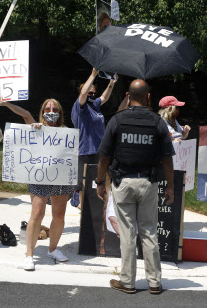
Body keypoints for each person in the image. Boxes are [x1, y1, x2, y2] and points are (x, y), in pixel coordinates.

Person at [96, 79, 175, 294]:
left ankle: (128, 282)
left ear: (128, 96)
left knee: (128, 233)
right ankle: (155, 282)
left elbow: (104, 156)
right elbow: (168, 159)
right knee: (149, 232)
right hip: (148, 183)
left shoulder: (117, 120)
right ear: (149, 97)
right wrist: (170, 187)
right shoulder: (158, 122)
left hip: (123, 182)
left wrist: (100, 181)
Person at [0, 96, 73, 271]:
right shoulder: (36, 127)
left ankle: (52, 249)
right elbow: (25, 114)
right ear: (42, 112)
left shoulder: (66, 132)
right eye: (47, 109)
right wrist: (6, 103)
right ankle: (29, 254)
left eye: (55, 109)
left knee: (59, 215)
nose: (51, 112)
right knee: (37, 214)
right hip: (39, 177)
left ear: (60, 113)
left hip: (60, 178)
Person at [71, 68, 117, 207]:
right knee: (83, 185)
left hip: (100, 151)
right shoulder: (80, 107)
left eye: (93, 93)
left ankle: (102, 210)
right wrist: (93, 75)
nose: (92, 95)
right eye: (89, 93)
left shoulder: (94, 105)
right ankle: (81, 209)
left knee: (102, 181)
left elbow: (104, 97)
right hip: (85, 150)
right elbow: (84, 93)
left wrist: (112, 82)